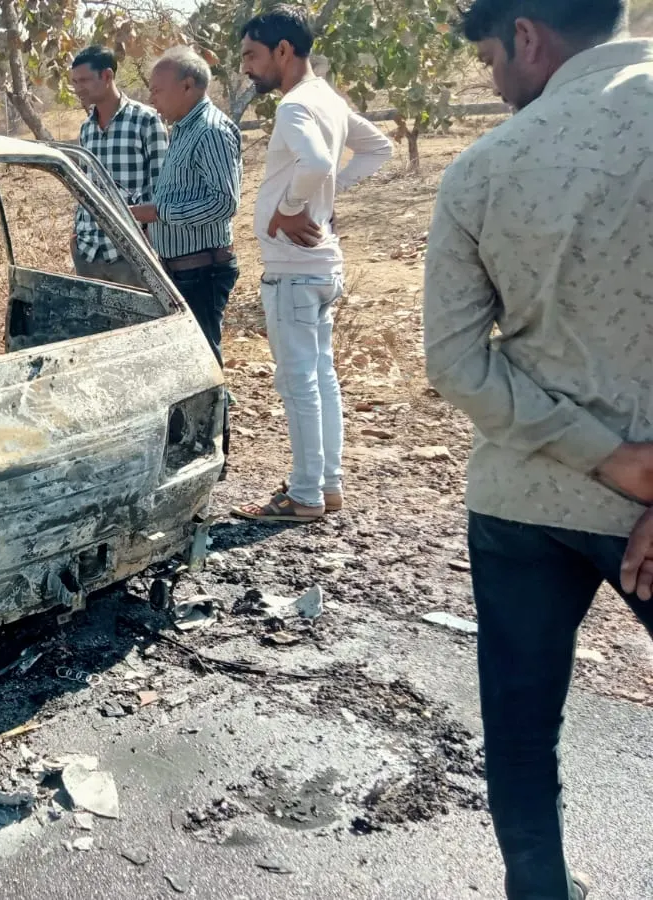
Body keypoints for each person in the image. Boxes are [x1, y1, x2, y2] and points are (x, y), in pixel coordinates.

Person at [422, 0, 653, 895]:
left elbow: (453, 361)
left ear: (526, 36)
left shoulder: (484, 167)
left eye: (487, 58)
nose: (490, 80)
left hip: (522, 496)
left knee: (521, 735)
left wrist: (598, 454)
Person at [230, 5, 391, 523]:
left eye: (252, 56)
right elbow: (377, 149)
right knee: (320, 376)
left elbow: (320, 162)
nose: (247, 68)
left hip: (294, 270)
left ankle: (303, 495)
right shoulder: (329, 99)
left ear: (283, 50)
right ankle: (327, 485)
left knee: (298, 381)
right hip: (321, 269)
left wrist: (293, 208)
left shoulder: (295, 105)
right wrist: (326, 198)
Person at [129, 46, 243, 365]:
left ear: (188, 85)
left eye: (157, 91)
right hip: (182, 270)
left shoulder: (210, 131)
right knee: (186, 360)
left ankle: (214, 416)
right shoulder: (183, 129)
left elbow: (223, 202)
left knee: (201, 361)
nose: (152, 100)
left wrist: (159, 213)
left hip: (202, 271)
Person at [69, 45, 168, 286]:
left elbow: (162, 185)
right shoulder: (87, 128)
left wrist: (148, 240)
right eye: (74, 81)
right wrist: (76, 233)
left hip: (130, 251)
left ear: (107, 76)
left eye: (83, 80)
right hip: (89, 250)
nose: (77, 88)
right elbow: (84, 184)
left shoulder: (145, 120)